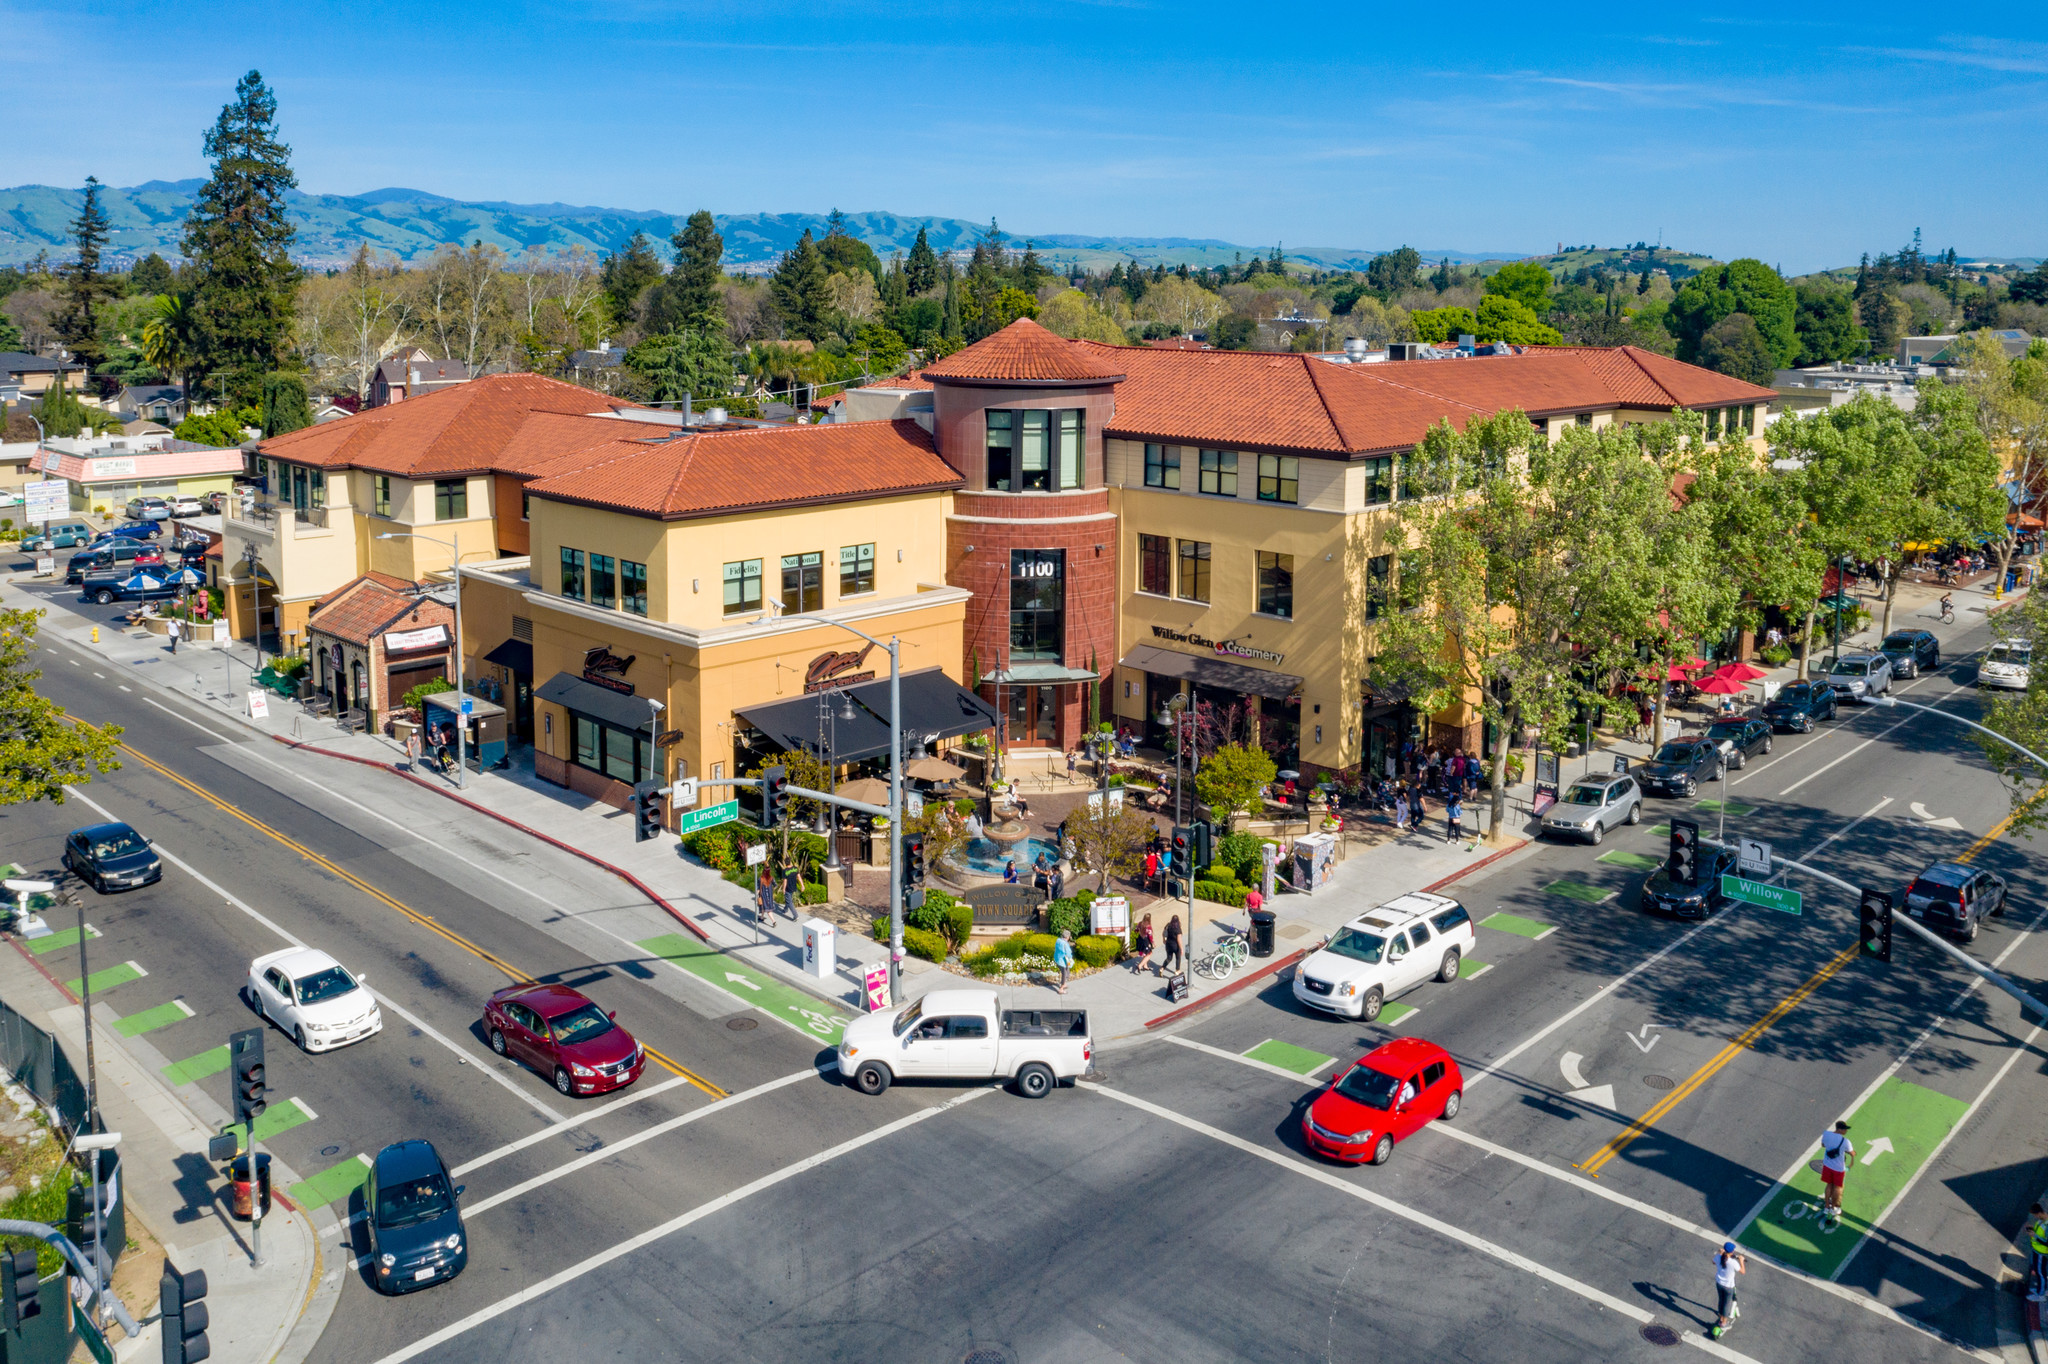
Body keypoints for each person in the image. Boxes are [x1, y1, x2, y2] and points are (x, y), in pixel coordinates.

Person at [1818, 1120, 1854, 1225]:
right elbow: (1852, 1153)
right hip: (1839, 1168)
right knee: (1837, 1187)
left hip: (1827, 1165)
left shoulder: (1826, 1134)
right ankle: (1834, 1208)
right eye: (1845, 1129)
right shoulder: (1846, 1141)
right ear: (1840, 1129)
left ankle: (1826, 1206)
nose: (1846, 1131)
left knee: (1829, 1184)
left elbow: (1823, 1145)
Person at [1709, 1243, 1745, 1339]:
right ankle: (1724, 1323)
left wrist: (1720, 1253)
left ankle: (1721, 1317)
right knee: (1727, 1304)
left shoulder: (1719, 1257)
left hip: (1719, 1283)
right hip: (1728, 1286)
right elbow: (1742, 1271)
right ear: (1732, 1251)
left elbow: (1713, 1262)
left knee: (1721, 1300)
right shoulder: (1733, 1263)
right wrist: (1741, 1260)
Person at [2026, 1202, 2048, 1304]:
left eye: (2035, 1215)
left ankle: (2040, 1294)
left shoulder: (2047, 1225)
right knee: (2040, 1272)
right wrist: (2032, 1230)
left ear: (2039, 1213)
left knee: (2040, 1273)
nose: (2035, 1217)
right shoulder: (2041, 1221)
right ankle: (2041, 1289)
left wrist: (2034, 1236)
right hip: (2036, 1251)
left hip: (2041, 1254)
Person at [1053, 930, 1074, 995]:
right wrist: (1071, 957)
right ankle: (1061, 989)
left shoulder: (1058, 940)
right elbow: (1069, 954)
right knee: (1065, 974)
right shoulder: (1065, 944)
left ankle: (1064, 984)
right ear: (1067, 937)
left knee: (1066, 972)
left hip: (1057, 959)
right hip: (1063, 962)